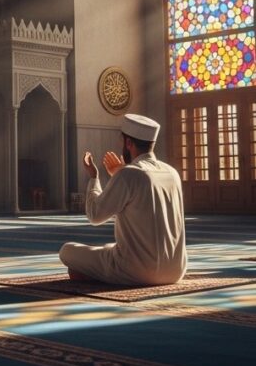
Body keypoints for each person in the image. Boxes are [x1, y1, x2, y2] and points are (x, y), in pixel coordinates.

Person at [59, 113, 187, 286]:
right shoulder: (172, 172)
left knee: (67, 251)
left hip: (137, 271)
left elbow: (95, 215)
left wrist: (94, 177)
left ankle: (97, 274)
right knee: (107, 248)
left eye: (122, 142)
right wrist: (119, 174)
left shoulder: (128, 174)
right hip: (176, 271)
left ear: (128, 143)